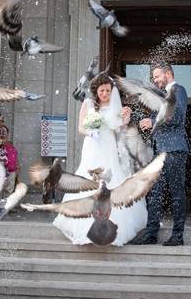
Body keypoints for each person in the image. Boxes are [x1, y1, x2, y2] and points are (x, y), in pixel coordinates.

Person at [53, 73, 146, 245]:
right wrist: (90, 131)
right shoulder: (88, 103)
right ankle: (83, 224)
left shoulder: (115, 106)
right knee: (89, 177)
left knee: (109, 179)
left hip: (108, 147)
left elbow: (118, 129)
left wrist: (125, 118)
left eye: (108, 90)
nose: (105, 94)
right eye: (102, 90)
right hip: (92, 145)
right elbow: (80, 127)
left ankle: (110, 225)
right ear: (96, 91)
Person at [132, 63, 189, 246]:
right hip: (160, 153)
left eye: (157, 76)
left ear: (168, 73)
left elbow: (177, 116)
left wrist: (153, 120)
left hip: (174, 150)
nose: (155, 80)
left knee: (176, 193)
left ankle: (178, 236)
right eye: (154, 77)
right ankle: (151, 234)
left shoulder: (178, 90)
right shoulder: (162, 95)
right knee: (154, 193)